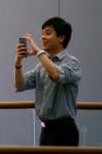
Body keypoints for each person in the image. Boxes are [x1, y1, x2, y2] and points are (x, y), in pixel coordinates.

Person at [14, 16, 82, 146]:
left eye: (48, 33)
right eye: (42, 34)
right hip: (45, 130)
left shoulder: (72, 62)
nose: (42, 37)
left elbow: (56, 75)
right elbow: (19, 84)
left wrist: (39, 52)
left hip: (64, 131)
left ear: (61, 37)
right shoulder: (42, 65)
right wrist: (18, 62)